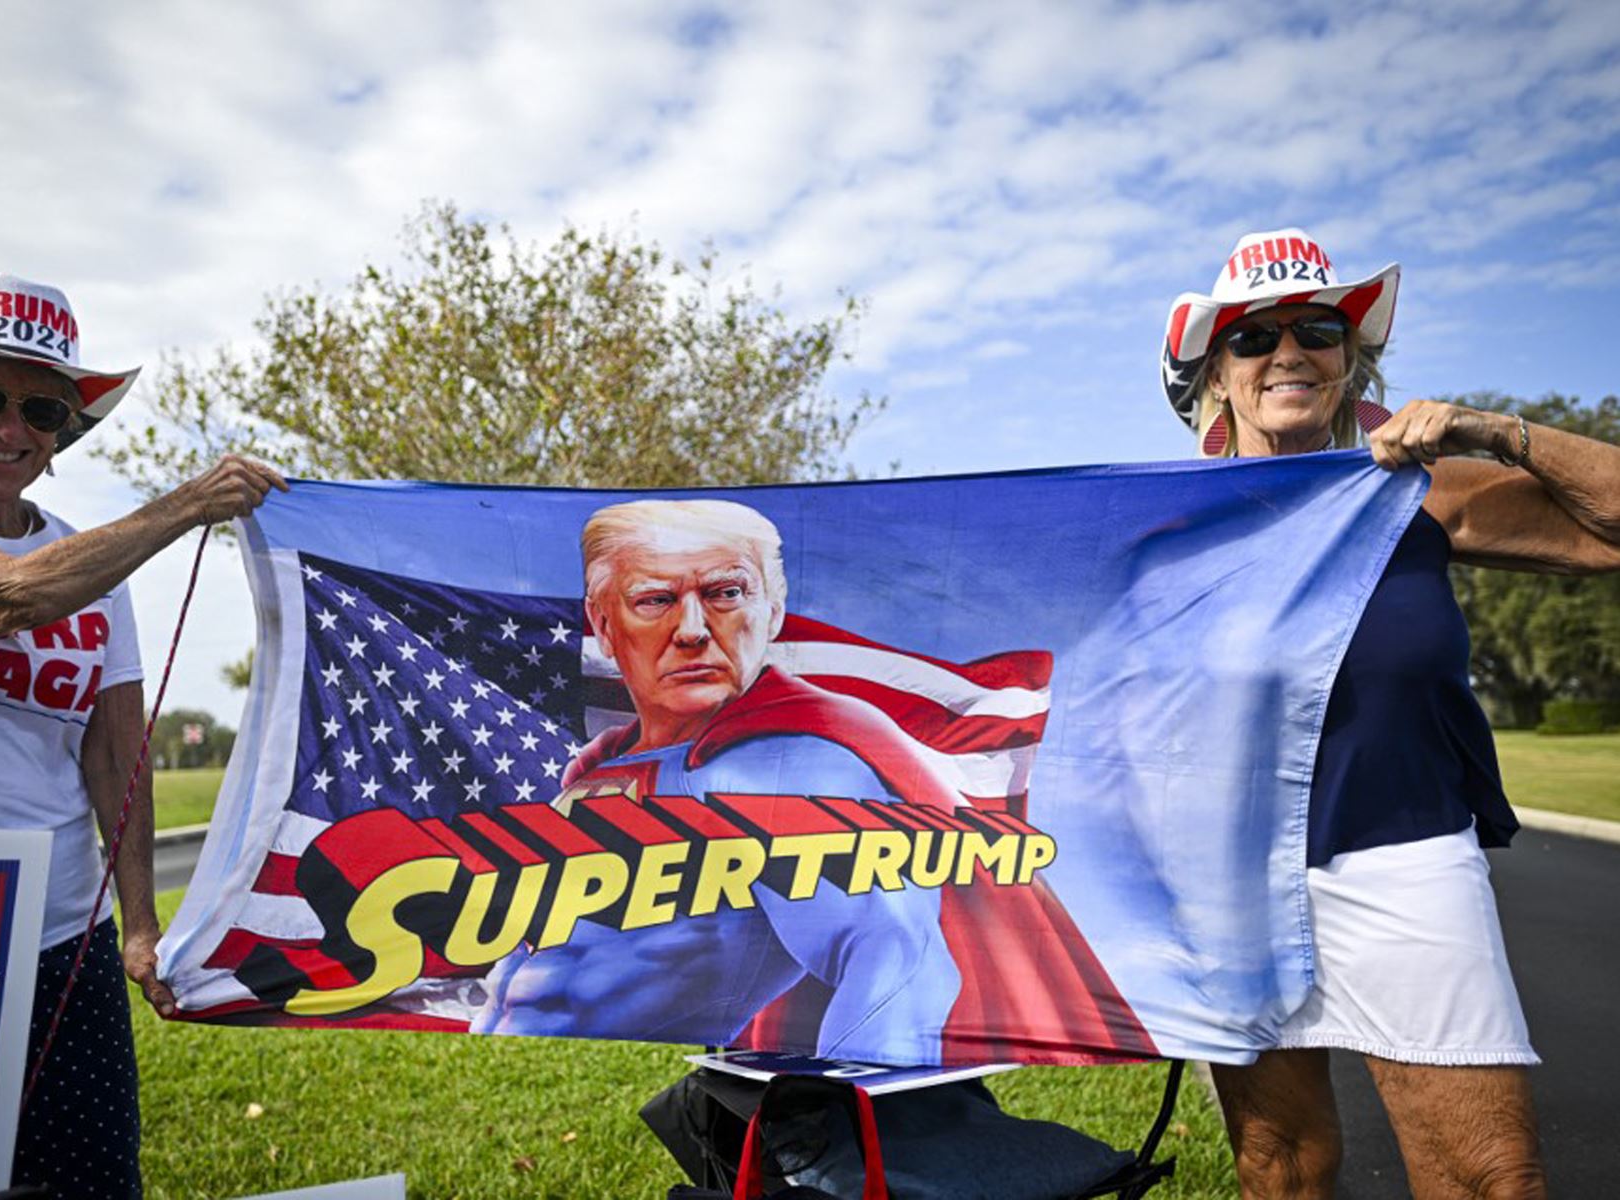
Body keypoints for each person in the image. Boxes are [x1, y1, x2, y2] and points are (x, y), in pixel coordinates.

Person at [1162, 229, 1620, 1198]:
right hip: (1233, 875)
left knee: (1490, 1174)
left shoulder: (1418, 490)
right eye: (1253, 338)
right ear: (1217, 375)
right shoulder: (1170, 524)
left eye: (1317, 328)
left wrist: (1492, 432)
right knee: (1275, 1167)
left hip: (1402, 850)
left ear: (1349, 358)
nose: (1287, 351)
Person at [0, 274, 286, 1198]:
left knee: (86, 1181)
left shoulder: (93, 565)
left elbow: (116, 752)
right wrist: (182, 506)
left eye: (43, 410)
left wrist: (141, 926)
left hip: (56, 939)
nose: (12, 428)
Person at [475, 498, 1153, 1066]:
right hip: (523, 1081)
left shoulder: (783, 764)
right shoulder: (604, 765)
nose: (691, 630)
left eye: (725, 593)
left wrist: (836, 1142)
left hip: (613, 1080)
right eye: (654, 600)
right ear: (602, 623)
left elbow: (899, 960)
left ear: (771, 612)